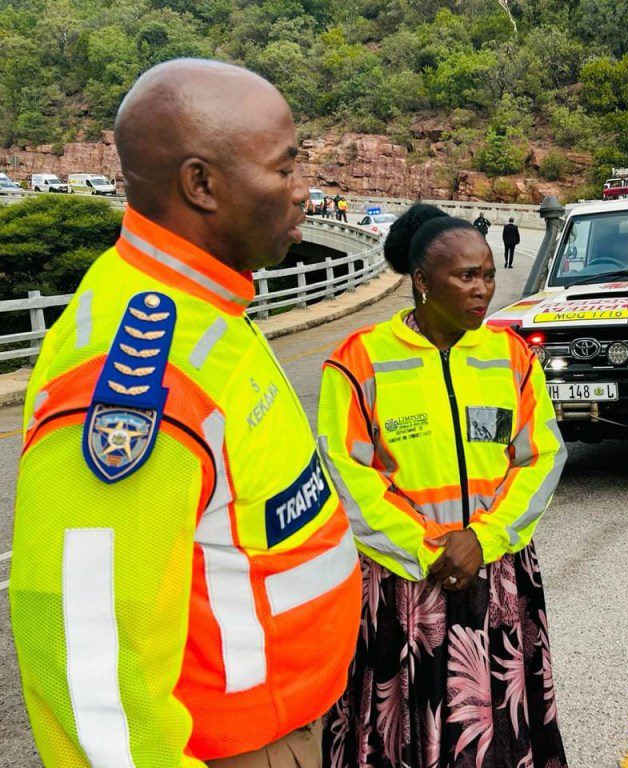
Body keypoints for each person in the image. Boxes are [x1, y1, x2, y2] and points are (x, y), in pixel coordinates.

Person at [8, 59, 362, 768]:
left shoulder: (207, 305)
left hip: (289, 723)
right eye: (284, 170)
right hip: (236, 750)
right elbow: (95, 679)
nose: (305, 192)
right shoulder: (133, 379)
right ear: (202, 185)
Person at [318, 203, 569, 768]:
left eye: (487, 274)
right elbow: (347, 475)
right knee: (405, 726)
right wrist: (427, 547)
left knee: (495, 725)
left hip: (494, 570)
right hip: (405, 582)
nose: (483, 289)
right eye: (466, 276)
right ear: (422, 282)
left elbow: (542, 455)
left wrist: (485, 536)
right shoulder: (358, 362)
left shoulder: (513, 356)